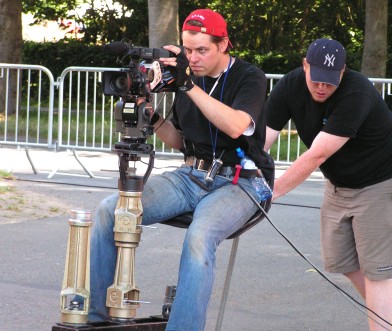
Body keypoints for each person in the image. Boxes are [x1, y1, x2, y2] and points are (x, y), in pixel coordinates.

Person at [87, 8, 274, 331]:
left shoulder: (249, 77)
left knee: (200, 235)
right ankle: (96, 321)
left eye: (202, 50)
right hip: (191, 175)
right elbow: (178, 140)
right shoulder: (188, 78)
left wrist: (188, 85)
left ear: (224, 44)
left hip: (242, 180)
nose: (193, 58)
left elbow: (236, 126)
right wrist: (152, 117)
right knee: (110, 211)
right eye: (187, 50)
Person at [264, 38, 392, 331]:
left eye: (330, 81)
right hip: (340, 181)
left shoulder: (357, 91)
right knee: (343, 261)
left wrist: (271, 191)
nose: (322, 87)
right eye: (316, 78)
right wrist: (244, 173)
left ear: (344, 72)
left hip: (385, 177)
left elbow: (317, 154)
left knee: (377, 271)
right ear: (305, 65)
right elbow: (262, 140)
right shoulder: (290, 86)